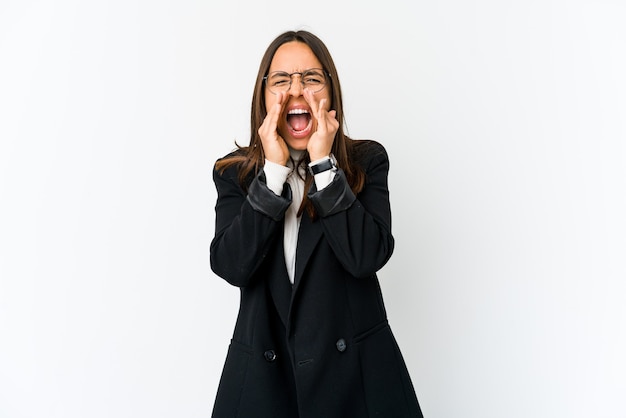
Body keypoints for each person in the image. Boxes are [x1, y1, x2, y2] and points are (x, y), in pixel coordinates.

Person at [210, 30, 423, 418]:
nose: (296, 91)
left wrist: (324, 166)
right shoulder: (233, 174)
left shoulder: (367, 162)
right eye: (281, 80)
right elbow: (232, 265)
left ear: (330, 93)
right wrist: (272, 173)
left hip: (357, 383)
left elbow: (366, 256)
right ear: (263, 97)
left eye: (311, 78)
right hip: (264, 382)